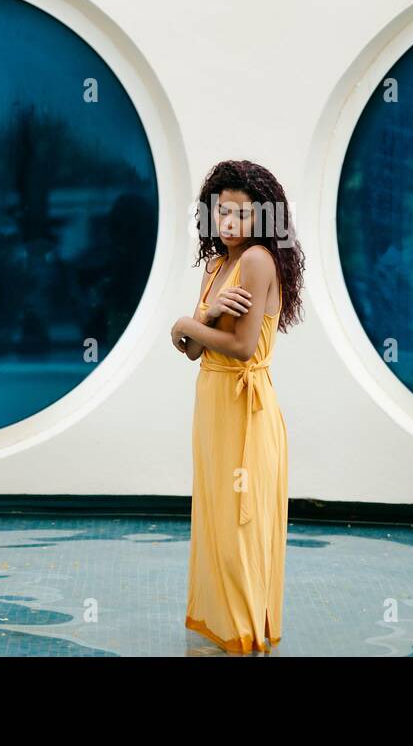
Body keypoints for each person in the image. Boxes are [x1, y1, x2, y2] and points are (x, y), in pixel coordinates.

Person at [170, 159, 305, 653]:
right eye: (222, 212)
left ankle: (246, 634)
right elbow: (194, 350)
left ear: (264, 219)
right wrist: (197, 321)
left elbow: (245, 348)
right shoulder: (214, 266)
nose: (230, 223)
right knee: (215, 517)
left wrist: (186, 323)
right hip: (211, 403)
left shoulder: (256, 262)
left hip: (246, 409)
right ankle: (221, 625)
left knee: (241, 523)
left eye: (243, 215)